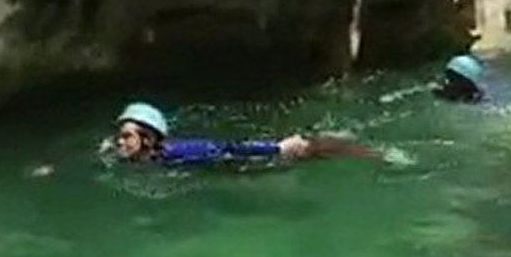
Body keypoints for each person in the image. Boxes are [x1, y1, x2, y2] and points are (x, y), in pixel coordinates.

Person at [112, 102, 376, 164]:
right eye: (119, 136)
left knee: (310, 151)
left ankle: (371, 152)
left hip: (245, 160)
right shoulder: (135, 157)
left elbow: (228, 148)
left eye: (127, 136)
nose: (119, 142)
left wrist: (276, 149)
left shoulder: (179, 152)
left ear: (148, 139)